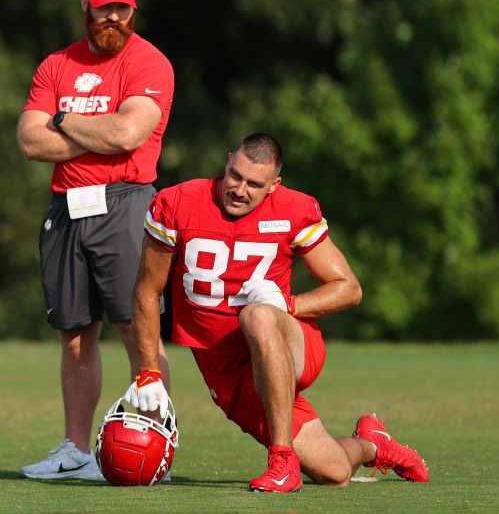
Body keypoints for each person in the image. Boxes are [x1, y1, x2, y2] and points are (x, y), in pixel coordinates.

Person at [124, 132, 429, 492]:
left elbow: (349, 289)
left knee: (258, 315)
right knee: (332, 472)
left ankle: (282, 461)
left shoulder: (294, 209)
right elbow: (147, 289)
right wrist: (148, 372)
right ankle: (374, 443)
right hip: (224, 367)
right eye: (236, 175)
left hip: (287, 342)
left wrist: (289, 304)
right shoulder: (177, 202)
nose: (240, 189)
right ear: (227, 162)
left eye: (254, 184)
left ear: (274, 185)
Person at [16, 0, 175, 481]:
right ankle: (76, 451)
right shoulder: (55, 65)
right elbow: (28, 140)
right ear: (86, 5)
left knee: (137, 330)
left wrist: (62, 119)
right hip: (66, 208)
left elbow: (129, 135)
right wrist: (94, 129)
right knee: (75, 335)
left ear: (134, 9)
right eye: (104, 7)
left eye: (122, 8)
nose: (113, 17)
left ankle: (158, 449)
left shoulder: (149, 63)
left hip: (125, 202)